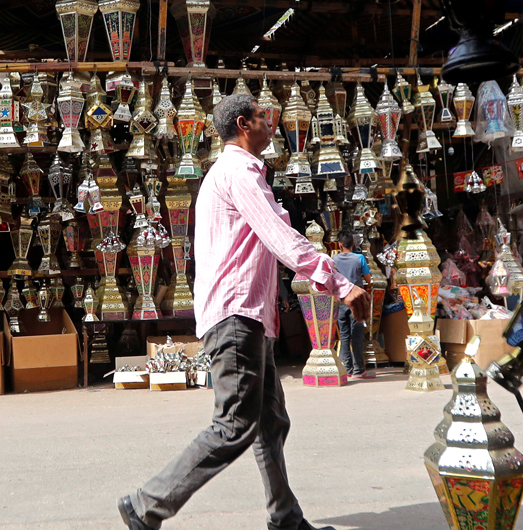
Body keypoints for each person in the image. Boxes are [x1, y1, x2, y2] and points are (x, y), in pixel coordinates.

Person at [117, 94, 369, 530]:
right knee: (235, 423)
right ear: (242, 123)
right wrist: (339, 283)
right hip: (237, 315)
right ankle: (146, 504)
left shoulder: (232, 173)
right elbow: (280, 237)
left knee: (270, 421)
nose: (270, 122)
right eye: (261, 116)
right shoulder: (239, 172)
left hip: (246, 316)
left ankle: (285, 518)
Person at [333, 230, 374, 379]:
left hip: (341, 300)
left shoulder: (334, 259)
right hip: (356, 301)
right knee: (357, 335)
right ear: (353, 244)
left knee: (344, 335)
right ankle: (359, 370)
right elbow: (369, 280)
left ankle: (347, 369)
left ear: (340, 245)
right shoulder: (359, 258)